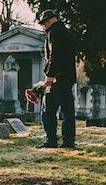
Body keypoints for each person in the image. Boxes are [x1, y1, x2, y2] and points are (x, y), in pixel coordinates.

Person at [37, 9, 77, 149]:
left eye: (44, 24)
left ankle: (51, 140)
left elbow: (54, 56)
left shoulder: (53, 33)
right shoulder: (68, 33)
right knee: (68, 112)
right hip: (68, 79)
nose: (43, 27)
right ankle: (68, 141)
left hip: (56, 79)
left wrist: (49, 75)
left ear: (49, 21)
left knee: (48, 111)